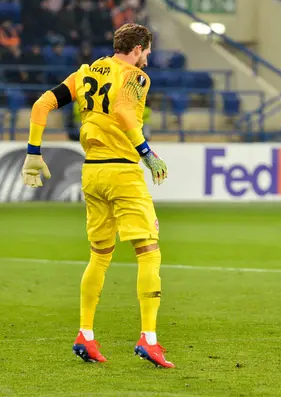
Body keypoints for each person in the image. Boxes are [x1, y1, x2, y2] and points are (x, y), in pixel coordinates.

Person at [20, 23, 173, 368]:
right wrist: (148, 153)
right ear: (137, 47)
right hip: (122, 171)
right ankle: (149, 339)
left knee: (99, 256)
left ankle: (85, 334)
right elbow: (122, 110)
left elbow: (41, 105)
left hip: (92, 173)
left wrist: (33, 152)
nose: (148, 57)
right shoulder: (135, 76)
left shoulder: (87, 71)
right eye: (147, 50)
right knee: (148, 251)